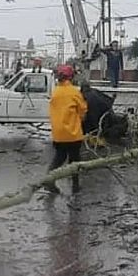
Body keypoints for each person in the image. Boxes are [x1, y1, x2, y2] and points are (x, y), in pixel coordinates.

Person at [45, 65, 88, 194]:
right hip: (73, 133)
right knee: (74, 161)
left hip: (58, 133)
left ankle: (49, 179)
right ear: (71, 77)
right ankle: (75, 186)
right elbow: (83, 110)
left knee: (59, 158)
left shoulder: (56, 92)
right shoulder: (74, 91)